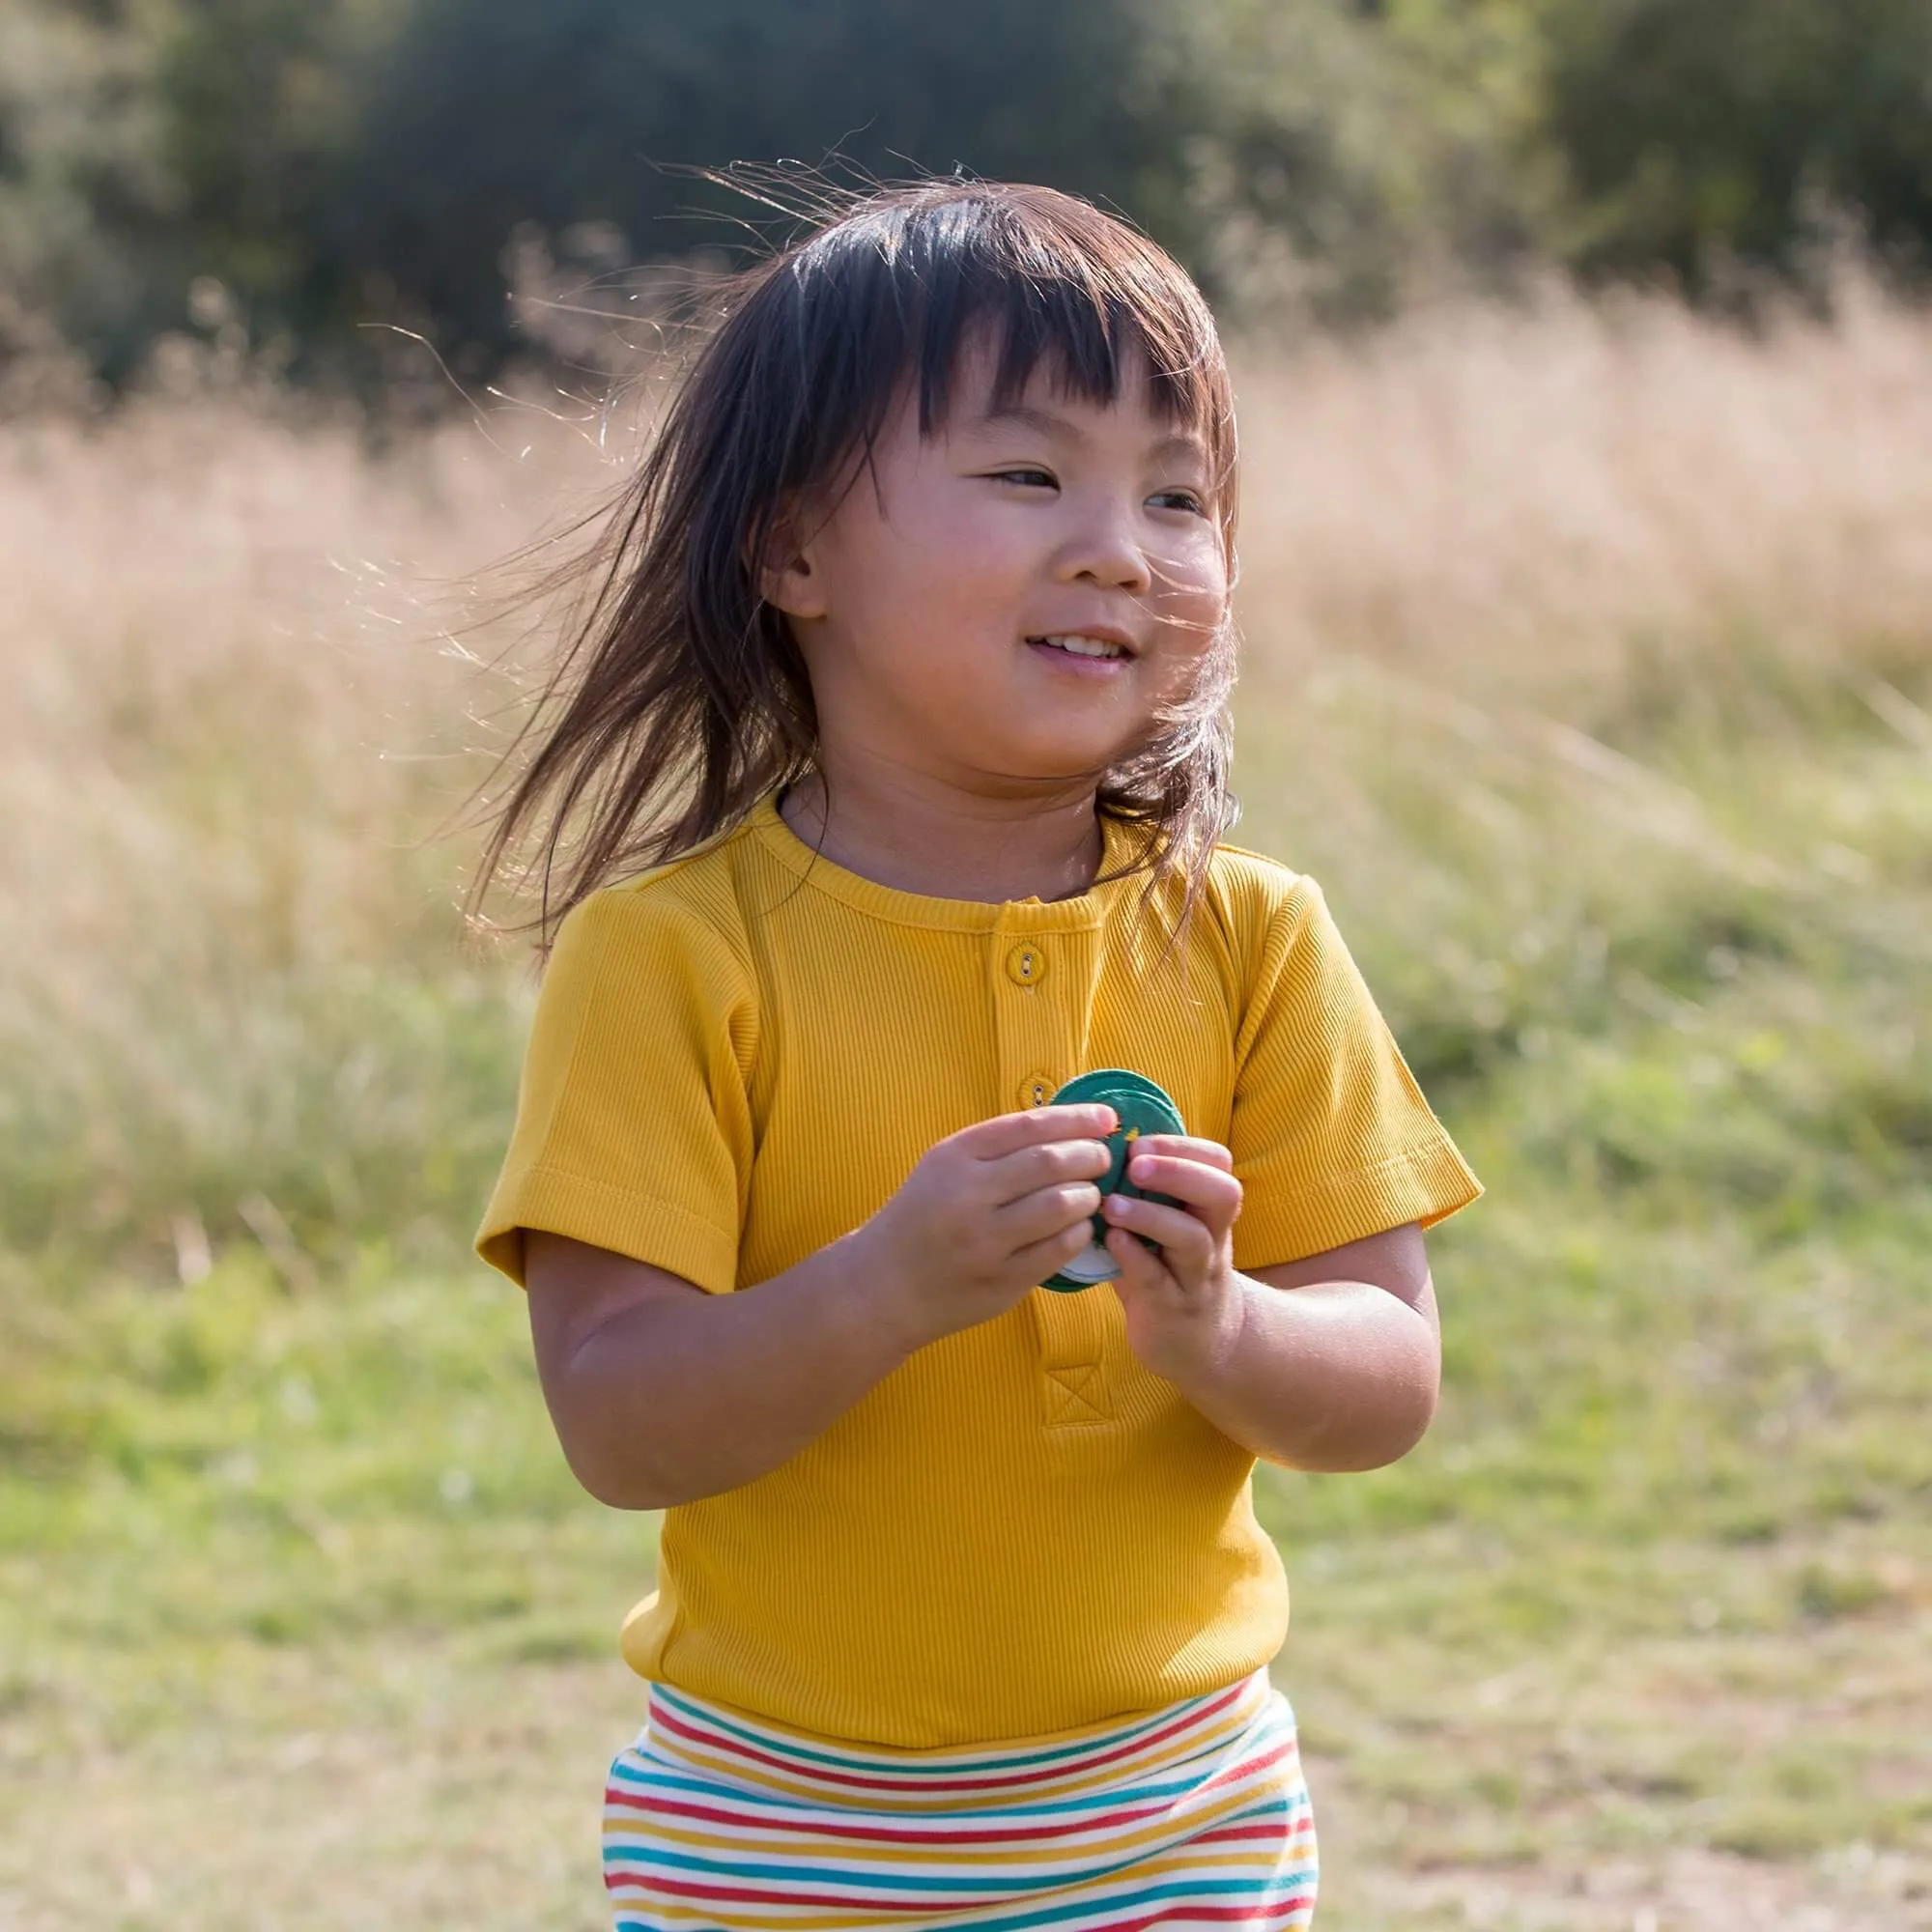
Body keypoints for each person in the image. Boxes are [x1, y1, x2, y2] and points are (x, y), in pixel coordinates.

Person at [472, 179, 1481, 1930]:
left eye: (1179, 495)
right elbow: (621, 1420)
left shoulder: (1252, 937)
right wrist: (886, 1285)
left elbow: (1388, 1376)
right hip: (781, 1840)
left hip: (1180, 1816)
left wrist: (1218, 1325)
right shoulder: (675, 958)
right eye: (1029, 475)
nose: (1120, 545)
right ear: (792, 551)